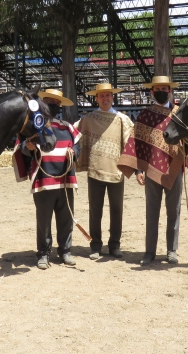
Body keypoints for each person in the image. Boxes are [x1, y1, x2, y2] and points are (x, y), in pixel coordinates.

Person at [117, 75, 188, 266]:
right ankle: (149, 251)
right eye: (158, 89)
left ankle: (172, 251)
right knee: (152, 211)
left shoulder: (179, 113)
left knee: (174, 211)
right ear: (152, 92)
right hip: (150, 170)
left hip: (175, 168)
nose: (162, 92)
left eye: (165, 89)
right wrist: (139, 170)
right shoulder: (145, 115)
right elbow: (137, 144)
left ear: (170, 91)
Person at [13, 88, 81, 270]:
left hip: (65, 180)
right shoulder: (34, 126)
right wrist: (29, 148)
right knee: (43, 220)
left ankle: (65, 251)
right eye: (50, 102)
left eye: (57, 103)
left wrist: (74, 152)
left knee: (66, 218)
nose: (54, 105)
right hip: (43, 181)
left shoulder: (68, 127)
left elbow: (78, 147)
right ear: (43, 103)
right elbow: (22, 150)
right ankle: (43, 254)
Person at [75, 83, 134, 260]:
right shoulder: (88, 119)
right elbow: (72, 131)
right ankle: (95, 245)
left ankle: (115, 245)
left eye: (108, 95)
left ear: (112, 97)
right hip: (95, 171)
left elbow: (132, 141)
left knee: (117, 210)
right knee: (95, 210)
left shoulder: (122, 119)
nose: (105, 98)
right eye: (102, 96)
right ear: (96, 98)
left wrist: (136, 168)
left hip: (116, 172)